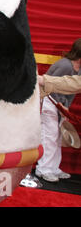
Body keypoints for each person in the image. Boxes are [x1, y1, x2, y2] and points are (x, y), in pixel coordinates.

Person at [35, 38, 81, 182]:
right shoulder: (65, 65)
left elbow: (72, 89)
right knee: (50, 136)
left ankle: (54, 168)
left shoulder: (79, 68)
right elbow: (50, 86)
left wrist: (65, 107)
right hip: (48, 101)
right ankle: (43, 169)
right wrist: (61, 106)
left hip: (59, 104)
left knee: (58, 136)